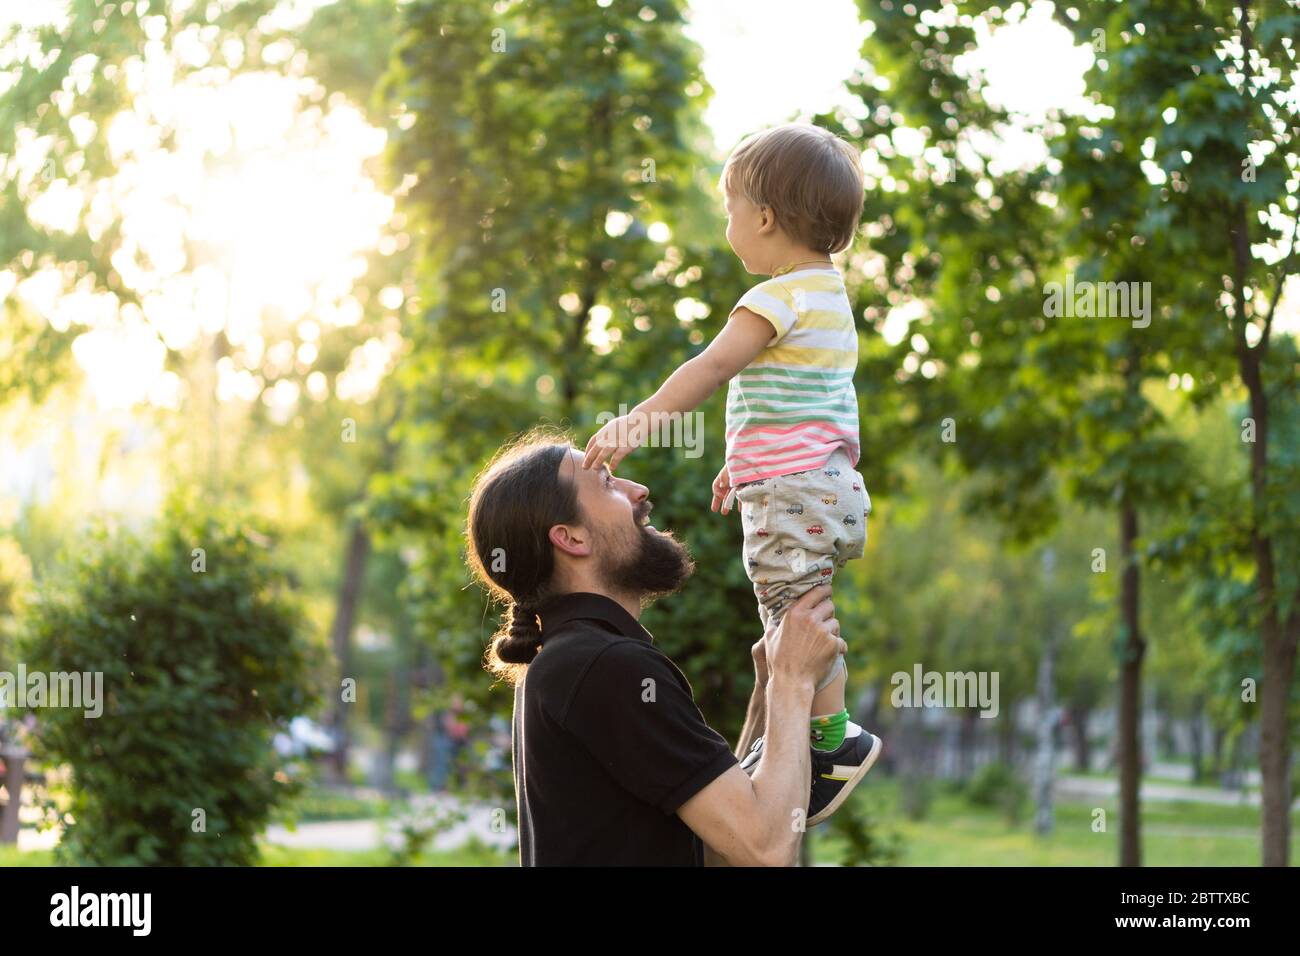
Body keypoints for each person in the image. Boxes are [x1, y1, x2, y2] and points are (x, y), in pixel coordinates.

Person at [583, 123, 881, 823]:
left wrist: (636, 421)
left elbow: (713, 368)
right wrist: (740, 466)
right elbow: (798, 404)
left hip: (792, 490)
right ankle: (806, 743)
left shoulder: (776, 299)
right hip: (826, 483)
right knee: (801, 608)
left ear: (766, 217)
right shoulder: (830, 299)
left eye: (730, 209)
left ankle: (831, 744)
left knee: (793, 620)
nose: (729, 225)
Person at [466, 429, 851, 866]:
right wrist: (793, 681)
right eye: (609, 484)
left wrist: (769, 690)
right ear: (571, 538)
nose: (638, 490)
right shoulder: (605, 667)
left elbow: (724, 846)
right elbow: (766, 850)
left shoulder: (574, 662)